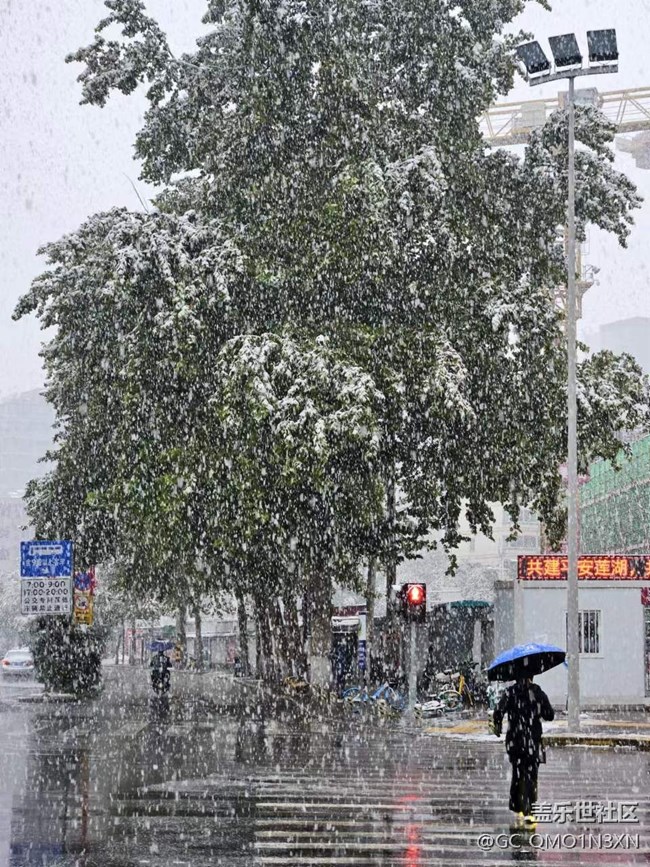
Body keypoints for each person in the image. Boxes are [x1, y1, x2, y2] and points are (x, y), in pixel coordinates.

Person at [492, 676, 554, 825]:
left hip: (515, 740)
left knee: (518, 772)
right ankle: (529, 808)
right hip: (532, 740)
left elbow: (498, 712)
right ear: (532, 676)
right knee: (531, 775)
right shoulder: (537, 692)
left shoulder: (510, 692)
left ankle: (517, 805)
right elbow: (549, 715)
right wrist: (538, 710)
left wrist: (498, 724)